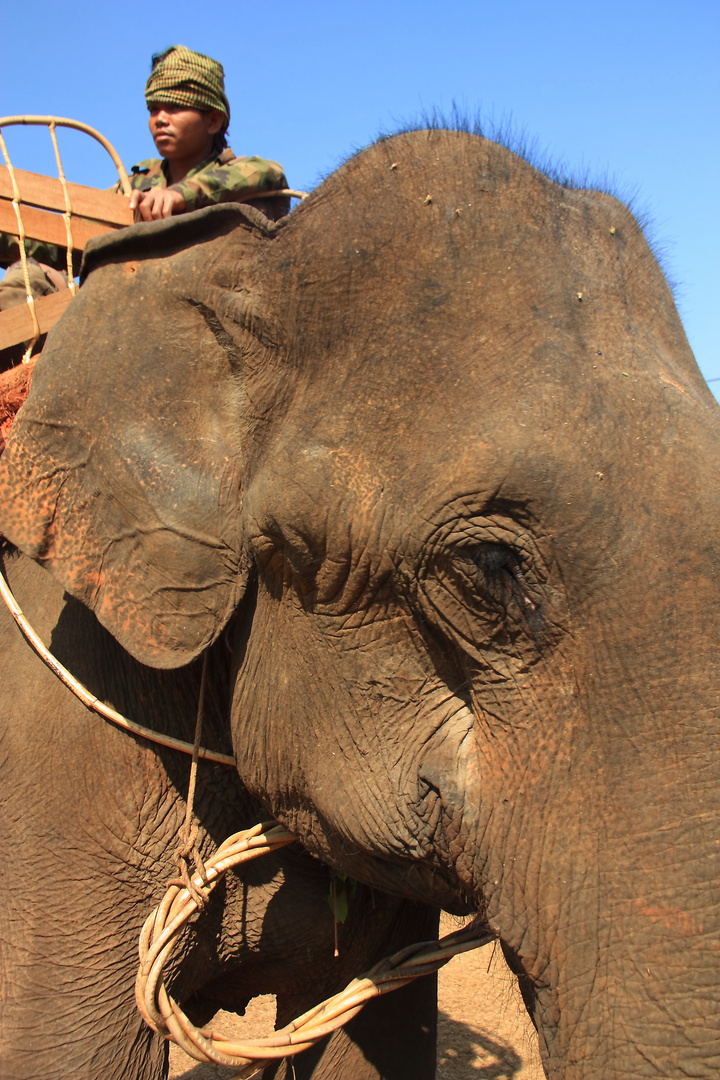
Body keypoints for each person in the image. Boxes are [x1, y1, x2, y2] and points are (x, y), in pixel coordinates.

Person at [0, 45, 290, 362]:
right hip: (117, 314)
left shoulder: (238, 177)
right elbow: (66, 240)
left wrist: (182, 196)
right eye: (153, 109)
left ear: (213, 120)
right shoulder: (137, 183)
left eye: (175, 107)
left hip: (202, 324)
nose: (160, 119)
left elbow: (269, 173)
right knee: (26, 274)